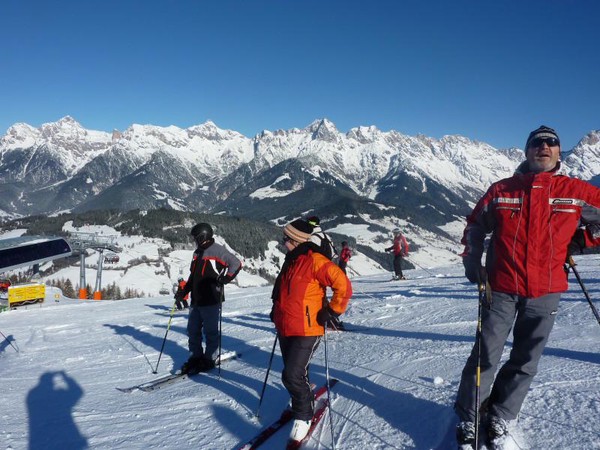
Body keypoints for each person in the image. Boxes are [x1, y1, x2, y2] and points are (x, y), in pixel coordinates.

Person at [454, 125, 600, 448]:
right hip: (501, 286)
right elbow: (475, 224)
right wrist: (472, 259)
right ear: (527, 150)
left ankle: (502, 414)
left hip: (546, 290)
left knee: (526, 360)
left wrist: (580, 241)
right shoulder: (502, 190)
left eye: (551, 143)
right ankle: (469, 415)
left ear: (559, 152)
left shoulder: (575, 190)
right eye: (537, 142)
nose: (543, 147)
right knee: (485, 354)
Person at [271, 219, 352, 445]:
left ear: (297, 241)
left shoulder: (315, 260)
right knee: (296, 371)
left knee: (291, 375)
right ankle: (302, 397)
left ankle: (304, 414)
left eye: (286, 239)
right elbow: (283, 293)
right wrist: (275, 312)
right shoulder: (291, 260)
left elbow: (343, 286)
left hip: (308, 327)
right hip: (286, 326)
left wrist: (332, 310)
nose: (283, 242)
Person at [175, 223, 242, 374]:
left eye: (195, 237)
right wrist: (184, 291)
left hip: (211, 298)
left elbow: (236, 263)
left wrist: (226, 278)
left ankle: (209, 358)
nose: (193, 240)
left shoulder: (217, 250)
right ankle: (195, 357)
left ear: (202, 236)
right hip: (196, 299)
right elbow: (193, 276)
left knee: (210, 332)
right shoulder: (197, 252)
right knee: (192, 331)